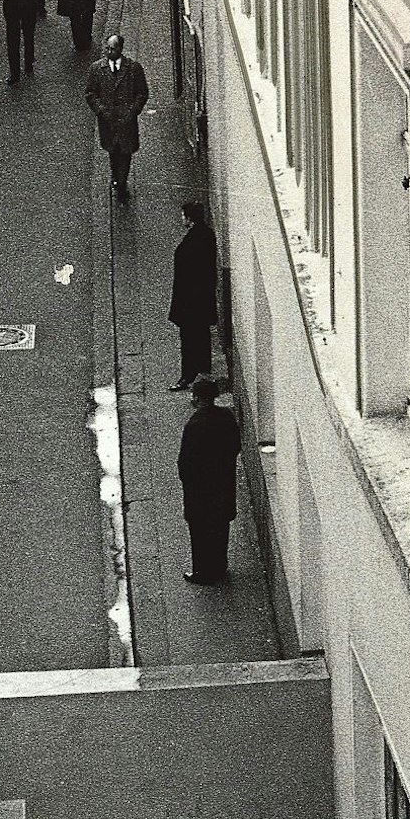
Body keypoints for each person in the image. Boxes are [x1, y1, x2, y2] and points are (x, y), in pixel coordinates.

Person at [177, 377, 240, 585]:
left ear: (196, 397)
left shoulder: (194, 425)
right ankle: (220, 564)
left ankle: (202, 571)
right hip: (223, 484)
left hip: (201, 489)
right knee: (220, 526)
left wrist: (189, 483)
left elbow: (185, 462)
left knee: (201, 531)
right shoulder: (226, 416)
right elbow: (235, 446)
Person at [84, 34, 149, 200]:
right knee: (113, 150)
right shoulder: (97, 69)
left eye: (113, 48)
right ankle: (116, 176)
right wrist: (101, 110)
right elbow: (90, 93)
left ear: (121, 49)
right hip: (108, 120)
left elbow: (142, 93)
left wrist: (133, 111)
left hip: (126, 121)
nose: (109, 52)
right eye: (107, 48)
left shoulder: (134, 69)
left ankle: (121, 184)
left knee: (126, 153)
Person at [168, 200, 218, 389]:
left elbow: (188, 274)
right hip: (201, 301)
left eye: (183, 216)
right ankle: (202, 374)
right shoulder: (206, 235)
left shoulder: (194, 239)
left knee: (189, 341)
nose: (182, 219)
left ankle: (188, 376)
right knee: (202, 338)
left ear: (189, 219)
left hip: (191, 302)